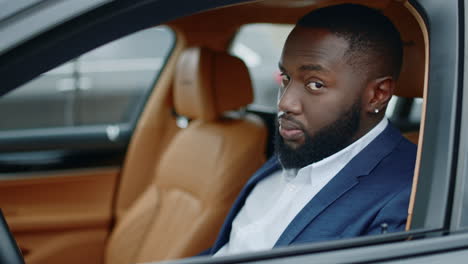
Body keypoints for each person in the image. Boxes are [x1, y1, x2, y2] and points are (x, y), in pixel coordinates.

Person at [208, 3, 417, 256]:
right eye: (286, 78)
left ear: (377, 95)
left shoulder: (408, 194)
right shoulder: (303, 147)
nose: (285, 102)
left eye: (315, 84)